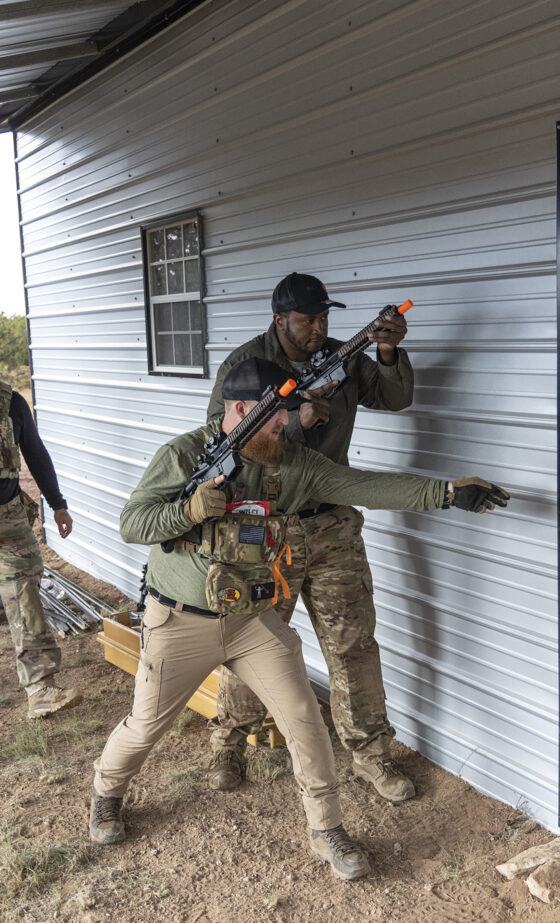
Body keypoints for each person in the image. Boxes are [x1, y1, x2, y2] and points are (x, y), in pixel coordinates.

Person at [89, 358, 508, 882]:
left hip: (250, 621)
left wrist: (446, 494)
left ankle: (326, 829)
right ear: (241, 409)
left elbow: (365, 485)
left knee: (305, 720)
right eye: (275, 417)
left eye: (286, 417)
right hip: (181, 622)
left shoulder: (294, 463)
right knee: (147, 725)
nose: (285, 427)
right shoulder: (183, 455)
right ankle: (107, 793)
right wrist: (189, 511)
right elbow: (133, 523)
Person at [205, 272, 420, 802]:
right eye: (308, 319)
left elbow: (395, 399)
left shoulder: (344, 357)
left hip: (331, 524)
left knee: (353, 645)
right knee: (251, 642)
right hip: (265, 528)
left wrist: (389, 353)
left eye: (325, 317)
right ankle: (229, 741)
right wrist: (294, 422)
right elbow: (221, 438)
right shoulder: (244, 365)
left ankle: (371, 753)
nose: (319, 328)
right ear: (280, 318)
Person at [0, 379, 81, 719]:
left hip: (9, 516)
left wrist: (58, 504)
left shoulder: (11, 402)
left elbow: (35, 453)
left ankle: (40, 687)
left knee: (24, 593)